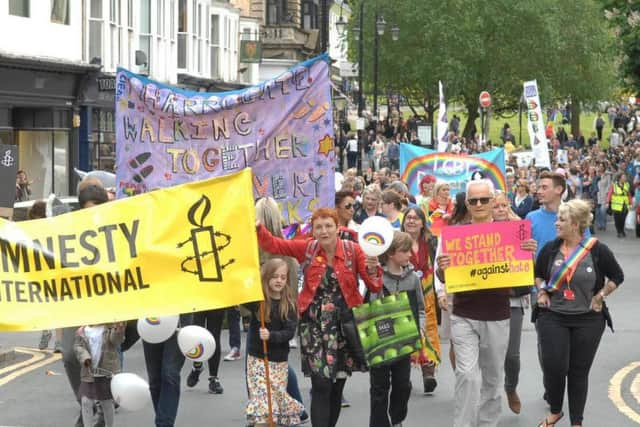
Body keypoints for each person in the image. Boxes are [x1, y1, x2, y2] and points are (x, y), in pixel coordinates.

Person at [256, 208, 383, 427]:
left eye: (328, 226)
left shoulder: (354, 251)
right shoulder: (308, 249)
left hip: (345, 326)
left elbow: (374, 285)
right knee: (321, 383)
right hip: (313, 325)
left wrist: (373, 270)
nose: (324, 231)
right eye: (318, 227)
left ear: (337, 227)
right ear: (313, 231)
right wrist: (258, 227)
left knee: (336, 386)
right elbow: (275, 245)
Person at [436, 179, 537, 427]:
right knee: (467, 376)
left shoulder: (512, 233)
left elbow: (524, 273)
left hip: (497, 314)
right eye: (473, 200)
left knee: (492, 379)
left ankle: (487, 424)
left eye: (484, 199)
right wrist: (442, 269)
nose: (479, 204)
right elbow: (442, 275)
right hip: (464, 313)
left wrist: (528, 254)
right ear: (467, 204)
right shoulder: (455, 235)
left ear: (493, 201)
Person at [534, 199, 624, 427]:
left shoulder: (598, 251)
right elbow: (537, 274)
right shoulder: (551, 249)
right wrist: (541, 293)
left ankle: (577, 422)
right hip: (553, 316)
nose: (557, 223)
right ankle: (555, 410)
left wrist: (600, 295)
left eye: (562, 220)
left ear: (575, 224)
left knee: (578, 371)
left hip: (588, 320)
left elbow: (617, 276)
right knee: (554, 366)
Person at [254, 197, 308, 422]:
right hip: (284, 308)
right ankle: (271, 408)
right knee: (274, 362)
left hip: (265, 312)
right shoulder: (286, 244)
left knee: (260, 362)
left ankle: (270, 409)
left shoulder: (258, 248)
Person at [61, 184, 110, 427]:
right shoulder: (70, 231)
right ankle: (88, 404)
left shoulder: (115, 230)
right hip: (76, 302)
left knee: (100, 359)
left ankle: (94, 410)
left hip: (105, 303)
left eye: (96, 210)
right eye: (87, 210)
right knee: (70, 356)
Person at [368, 231, 426, 427]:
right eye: (405, 250)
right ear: (391, 253)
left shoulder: (413, 279)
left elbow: (420, 307)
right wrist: (373, 279)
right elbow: (368, 306)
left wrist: (422, 329)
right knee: (379, 388)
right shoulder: (376, 276)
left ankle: (397, 418)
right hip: (380, 340)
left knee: (403, 385)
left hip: (405, 340)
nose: (410, 254)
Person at [245, 259, 304, 426]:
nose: (279, 280)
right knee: (263, 402)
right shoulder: (259, 301)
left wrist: (271, 336)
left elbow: (289, 332)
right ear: (266, 277)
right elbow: (242, 298)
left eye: (283, 277)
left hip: (279, 361)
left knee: (277, 399)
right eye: (274, 276)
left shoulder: (289, 304)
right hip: (258, 360)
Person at [492, 192, 532, 415]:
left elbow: (528, 265)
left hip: (513, 299)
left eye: (503, 205)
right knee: (488, 353)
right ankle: (489, 395)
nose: (499, 209)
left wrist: (529, 248)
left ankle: (510, 387)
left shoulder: (520, 231)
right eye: (495, 205)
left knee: (512, 355)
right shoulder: (479, 230)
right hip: (486, 300)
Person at [401, 207, 440, 394]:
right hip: (403, 295)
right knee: (406, 334)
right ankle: (404, 377)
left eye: (416, 218)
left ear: (423, 223)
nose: (411, 221)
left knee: (429, 332)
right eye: (408, 218)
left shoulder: (432, 242)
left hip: (428, 296)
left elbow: (440, 265)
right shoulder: (397, 242)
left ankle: (428, 374)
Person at [74, 322, 125, 427]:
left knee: (106, 402)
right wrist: (85, 357)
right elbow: (78, 346)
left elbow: (116, 341)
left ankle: (109, 425)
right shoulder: (82, 331)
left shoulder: (109, 327)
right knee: (86, 401)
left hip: (105, 371)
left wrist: (118, 331)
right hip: (88, 372)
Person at [184, 308, 225, 394]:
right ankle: (197, 365)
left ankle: (213, 378)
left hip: (216, 299)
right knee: (197, 335)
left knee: (214, 337)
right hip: (198, 299)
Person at [608, 172, 632, 238]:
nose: (625, 178)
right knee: (617, 220)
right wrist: (607, 202)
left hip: (624, 205)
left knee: (623, 219)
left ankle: (621, 230)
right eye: (623, 177)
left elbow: (629, 194)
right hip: (616, 205)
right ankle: (619, 231)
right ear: (619, 178)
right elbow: (610, 193)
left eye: (625, 177)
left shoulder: (627, 184)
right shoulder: (614, 185)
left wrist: (630, 202)